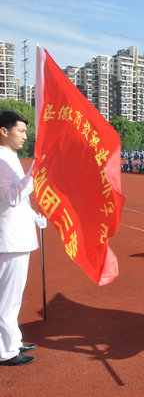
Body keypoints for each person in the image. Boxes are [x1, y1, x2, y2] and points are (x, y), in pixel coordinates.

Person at [0, 111, 46, 366]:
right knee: (7, 297)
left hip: (17, 235)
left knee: (13, 296)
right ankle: (5, 350)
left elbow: (18, 200)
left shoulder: (10, 157)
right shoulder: (1, 159)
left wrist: (33, 216)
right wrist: (37, 171)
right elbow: (11, 197)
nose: (25, 137)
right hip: (9, 239)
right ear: (3, 131)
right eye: (21, 131)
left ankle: (12, 340)